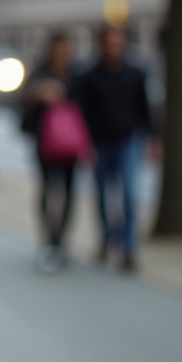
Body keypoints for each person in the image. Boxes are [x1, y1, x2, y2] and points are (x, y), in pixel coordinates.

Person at [76, 25, 156, 272]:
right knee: (102, 194)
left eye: (118, 43)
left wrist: (153, 137)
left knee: (129, 194)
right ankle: (105, 238)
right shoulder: (90, 76)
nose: (114, 48)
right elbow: (82, 113)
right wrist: (84, 144)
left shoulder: (135, 73)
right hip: (99, 143)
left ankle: (128, 247)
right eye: (110, 43)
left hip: (127, 141)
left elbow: (145, 108)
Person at [20, 32, 80, 272]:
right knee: (46, 189)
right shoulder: (39, 74)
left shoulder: (76, 76)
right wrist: (39, 94)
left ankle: (61, 240)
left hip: (70, 145)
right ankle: (48, 239)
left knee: (68, 191)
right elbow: (23, 102)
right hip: (45, 143)